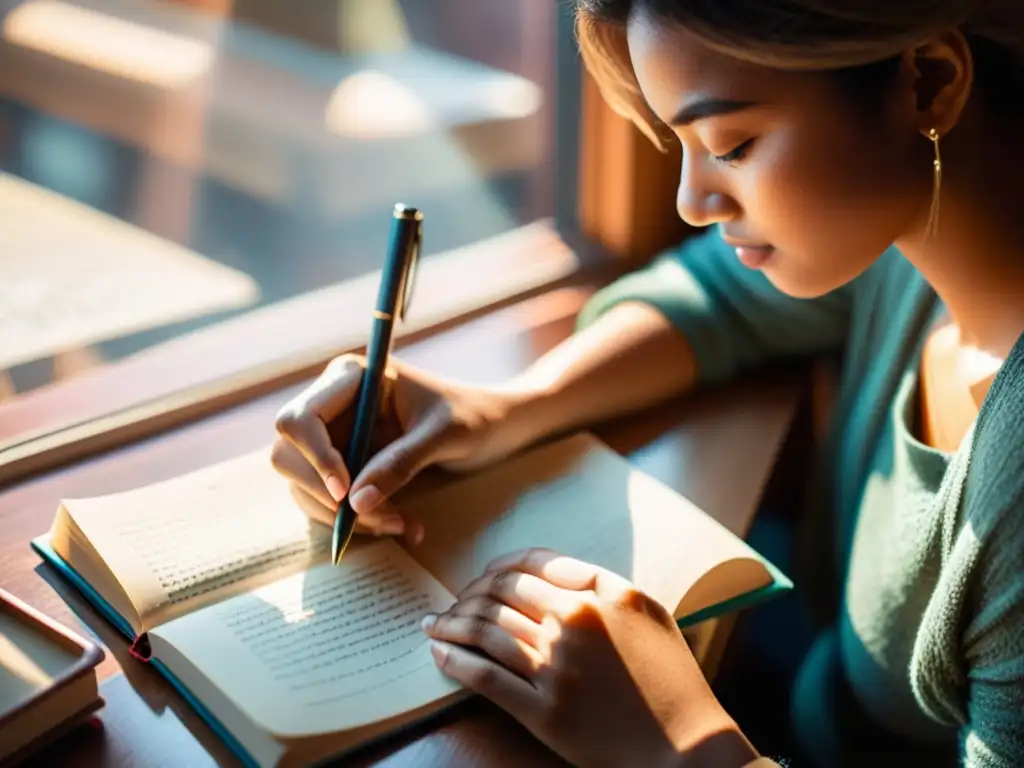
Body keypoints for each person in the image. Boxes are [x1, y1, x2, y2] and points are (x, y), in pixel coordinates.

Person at [269, 1, 1024, 765]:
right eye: (682, 145)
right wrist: (502, 409)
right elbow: (721, 301)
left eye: (733, 143)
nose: (691, 202)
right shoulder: (910, 240)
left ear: (929, 81)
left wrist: (679, 745)